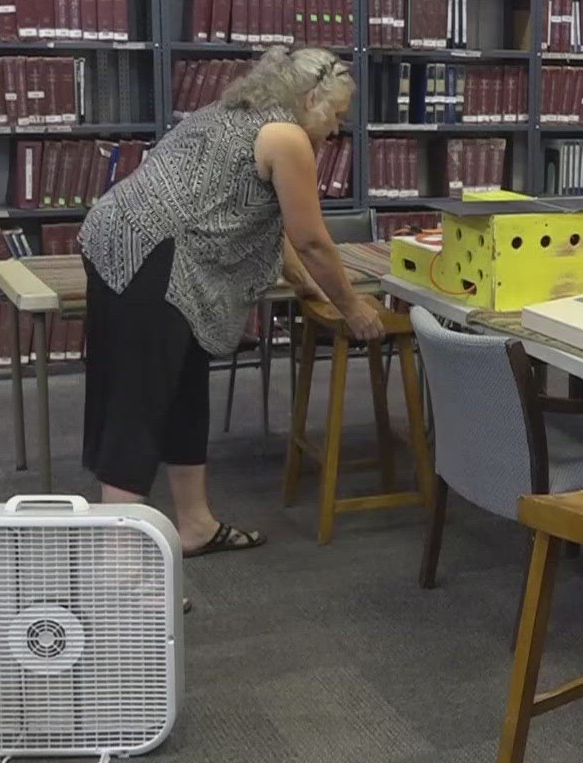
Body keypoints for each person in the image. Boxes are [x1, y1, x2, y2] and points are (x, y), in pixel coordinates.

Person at [79, 46, 383, 560]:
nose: (336, 129)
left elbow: (270, 223)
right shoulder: (287, 138)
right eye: (336, 114)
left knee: (183, 391)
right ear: (310, 99)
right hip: (154, 261)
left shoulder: (232, 114)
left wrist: (307, 286)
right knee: (140, 405)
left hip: (123, 241)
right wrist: (353, 308)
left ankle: (195, 525)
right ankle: (121, 570)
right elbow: (311, 239)